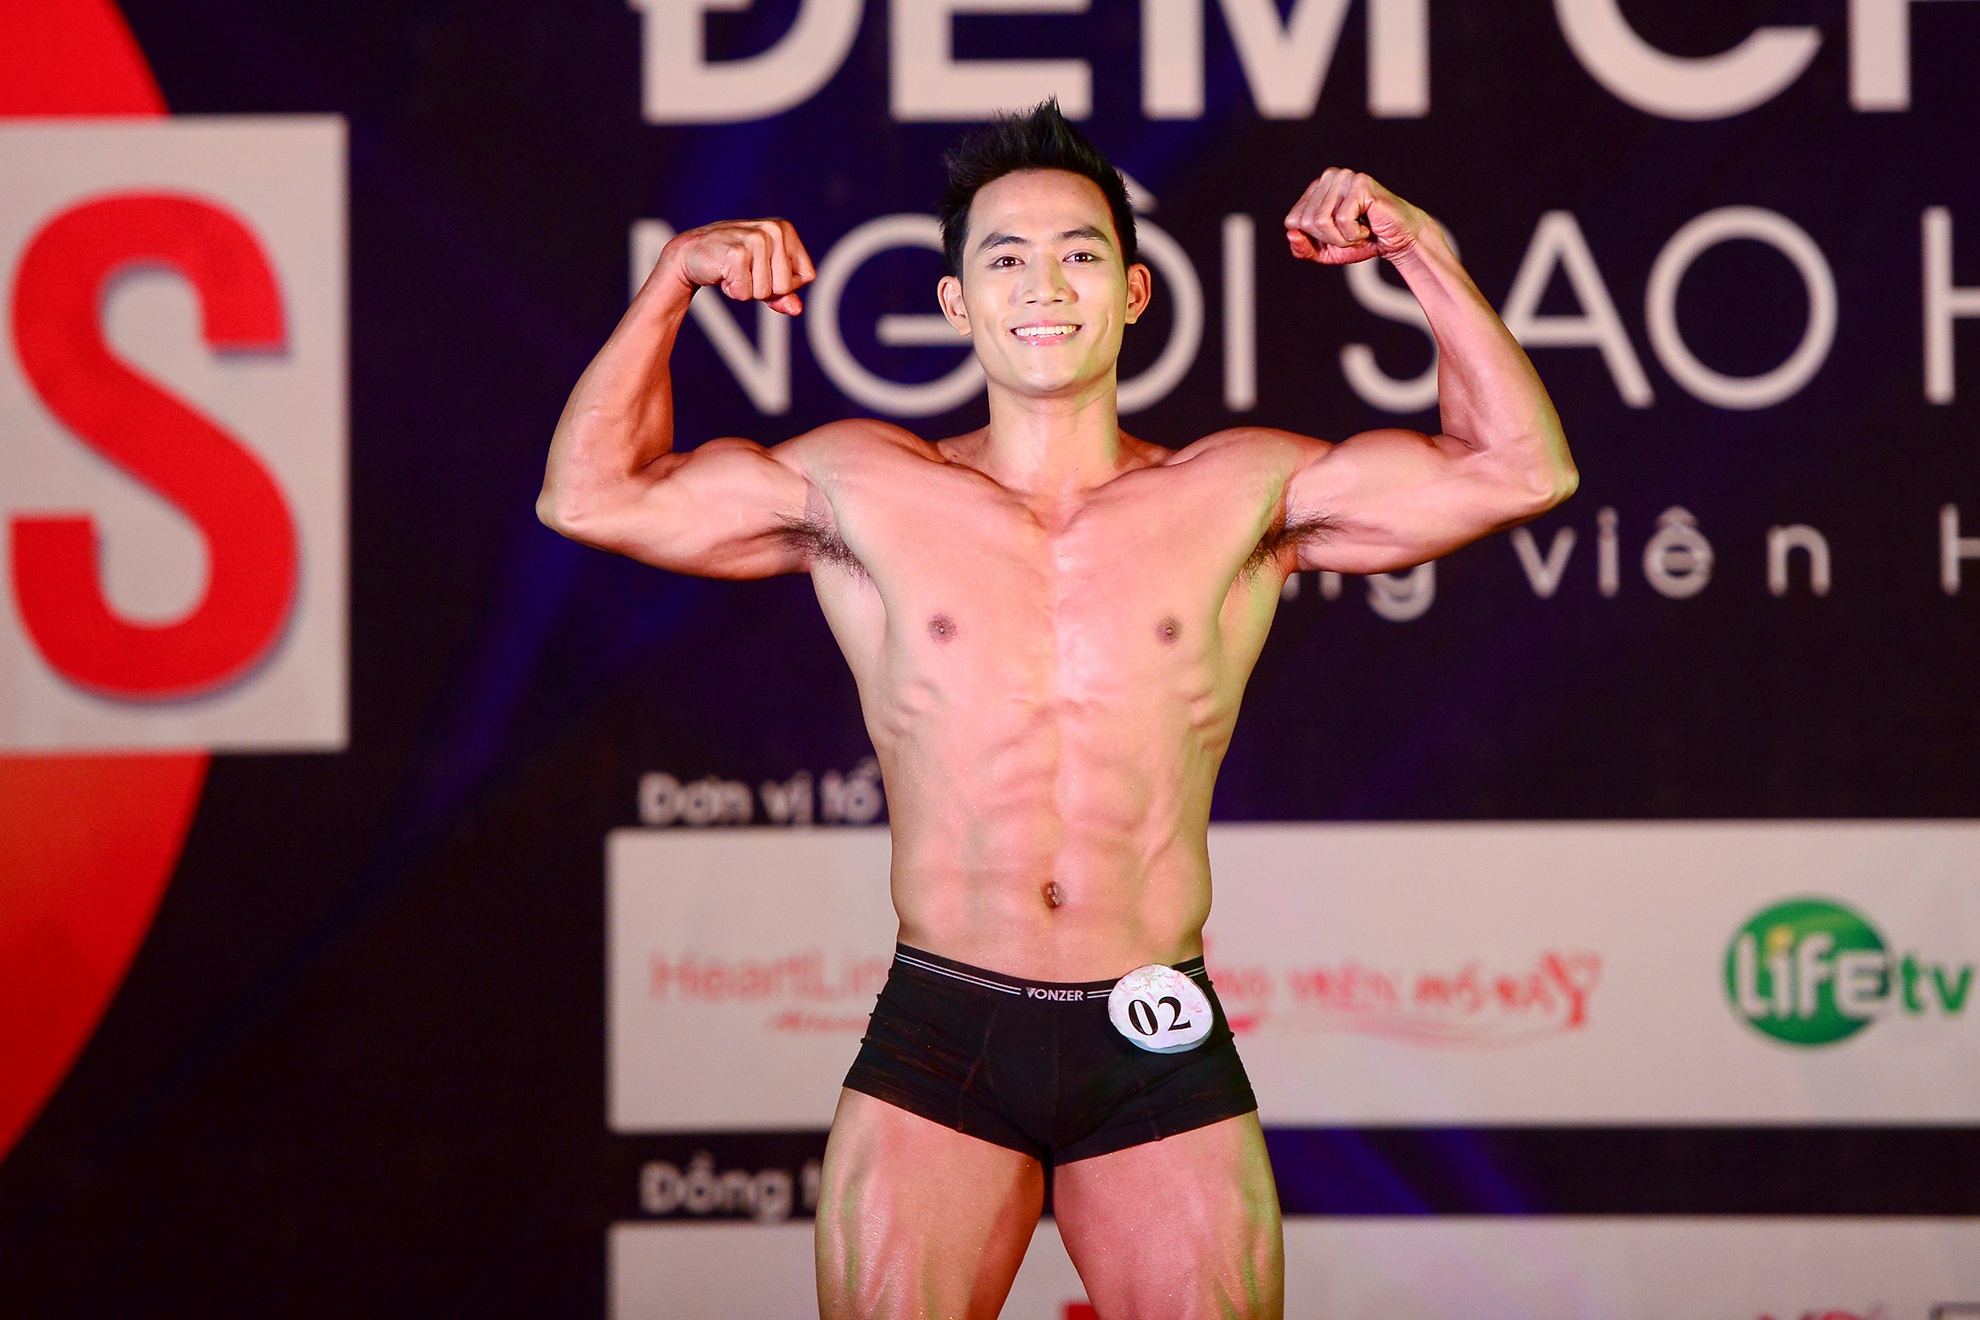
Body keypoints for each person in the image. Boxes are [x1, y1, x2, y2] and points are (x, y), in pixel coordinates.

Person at [540, 102, 1574, 1319]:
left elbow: (1521, 469)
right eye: (1006, 259)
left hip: (1153, 1030)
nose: (1044, 285)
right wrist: (673, 280)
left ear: (1133, 294)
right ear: (955, 303)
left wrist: (1420, 250)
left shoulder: (1238, 492)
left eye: (1080, 254)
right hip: (944, 1029)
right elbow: (590, 496)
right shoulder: (861, 488)